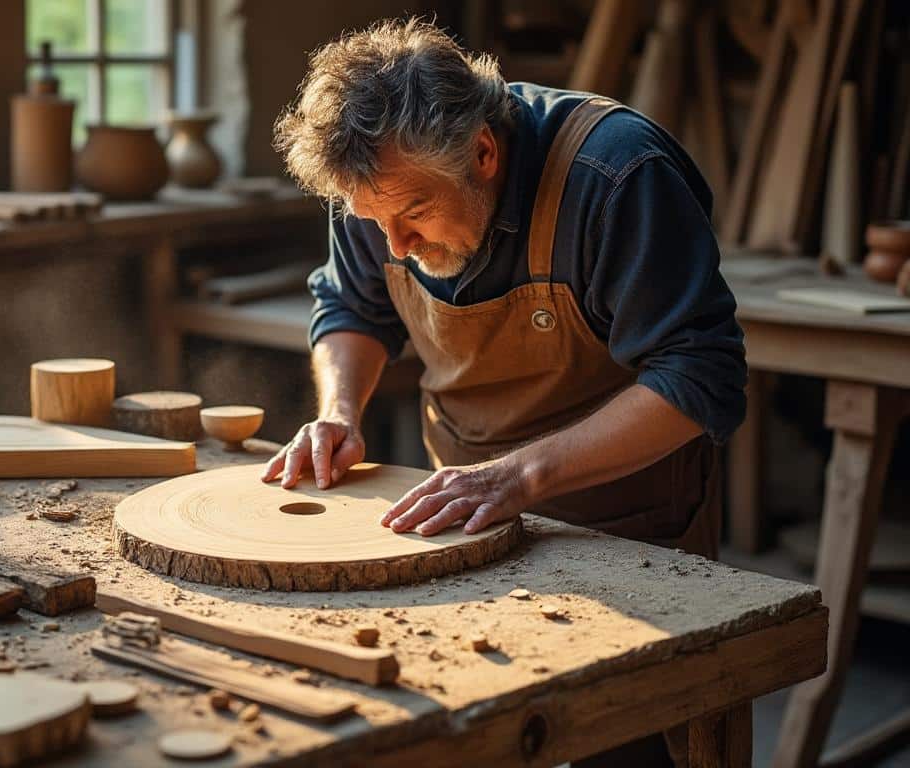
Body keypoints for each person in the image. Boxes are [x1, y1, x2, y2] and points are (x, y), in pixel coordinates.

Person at [265, 18, 746, 564]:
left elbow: (701, 375)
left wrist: (517, 477)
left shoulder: (615, 175)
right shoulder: (374, 182)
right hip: (465, 517)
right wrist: (340, 412)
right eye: (375, 222)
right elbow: (352, 305)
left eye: (415, 214)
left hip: (629, 527)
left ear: (483, 153)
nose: (395, 246)